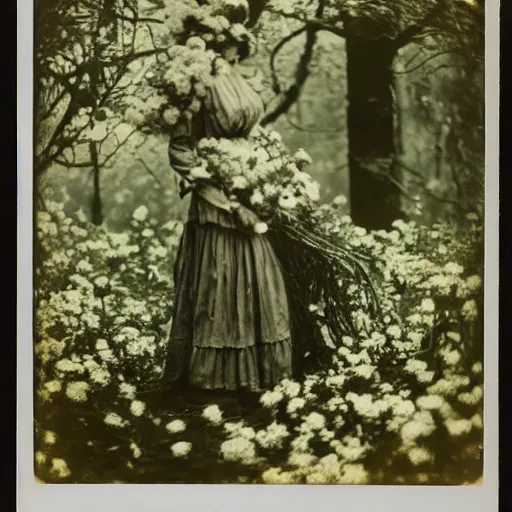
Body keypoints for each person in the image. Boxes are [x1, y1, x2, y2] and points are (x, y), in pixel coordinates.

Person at [162, 41, 293, 393]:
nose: (239, 41)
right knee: (219, 280)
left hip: (251, 184)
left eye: (240, 34)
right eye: (230, 33)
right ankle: (215, 379)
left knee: (259, 279)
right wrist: (219, 192)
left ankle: (259, 375)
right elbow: (180, 146)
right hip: (217, 199)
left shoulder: (239, 75)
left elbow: (251, 134)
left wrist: (268, 176)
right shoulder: (194, 79)